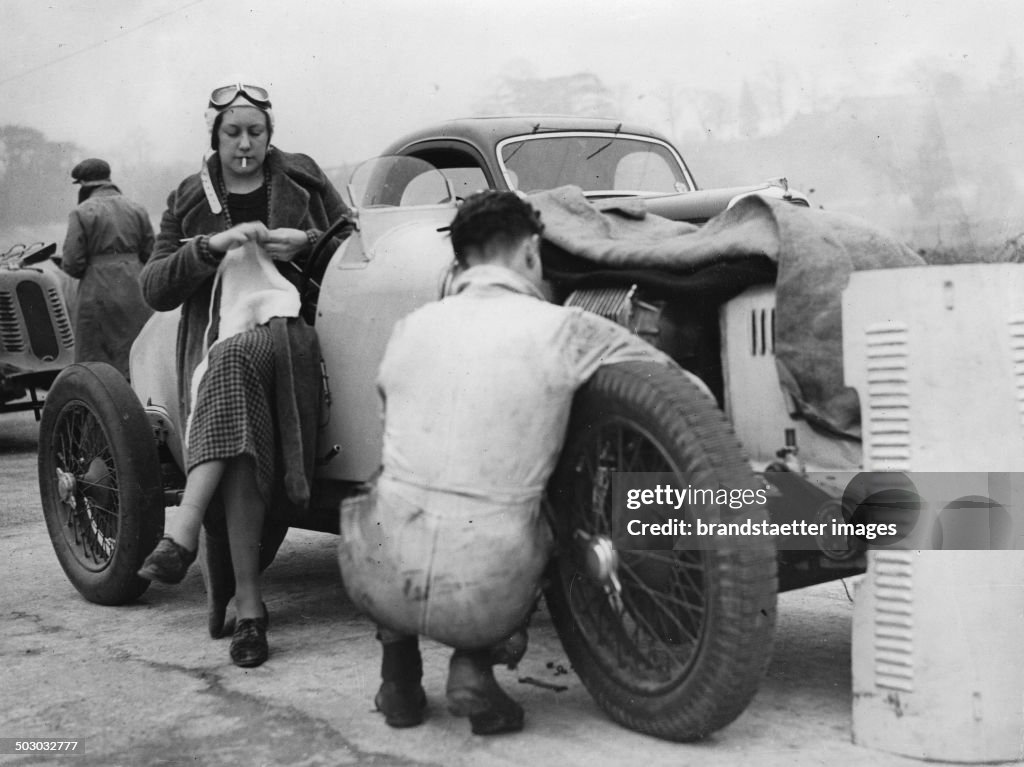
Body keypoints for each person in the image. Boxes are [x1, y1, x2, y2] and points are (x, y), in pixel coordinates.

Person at [338, 191, 672, 735]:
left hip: (373, 571)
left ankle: (397, 675)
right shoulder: (564, 328)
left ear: (459, 262)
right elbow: (678, 390)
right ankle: (475, 666)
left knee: (382, 495)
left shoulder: (411, 327)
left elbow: (390, 425)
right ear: (531, 254)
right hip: (490, 591)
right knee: (553, 512)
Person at [136, 81, 351, 668]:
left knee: (230, 367)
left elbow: (354, 244)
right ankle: (250, 614)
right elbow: (154, 288)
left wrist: (307, 242)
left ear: (270, 134)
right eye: (233, 132)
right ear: (214, 135)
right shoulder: (187, 197)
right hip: (215, 342)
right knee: (236, 418)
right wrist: (207, 246)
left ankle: (182, 534)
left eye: (256, 131)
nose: (246, 144)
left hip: (290, 336)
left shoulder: (303, 178)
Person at [61, 158, 155, 379]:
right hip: (135, 289)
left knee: (96, 363)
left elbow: (73, 263)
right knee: (136, 354)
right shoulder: (137, 208)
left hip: (97, 293)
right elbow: (151, 253)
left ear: (84, 184)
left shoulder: (81, 212)